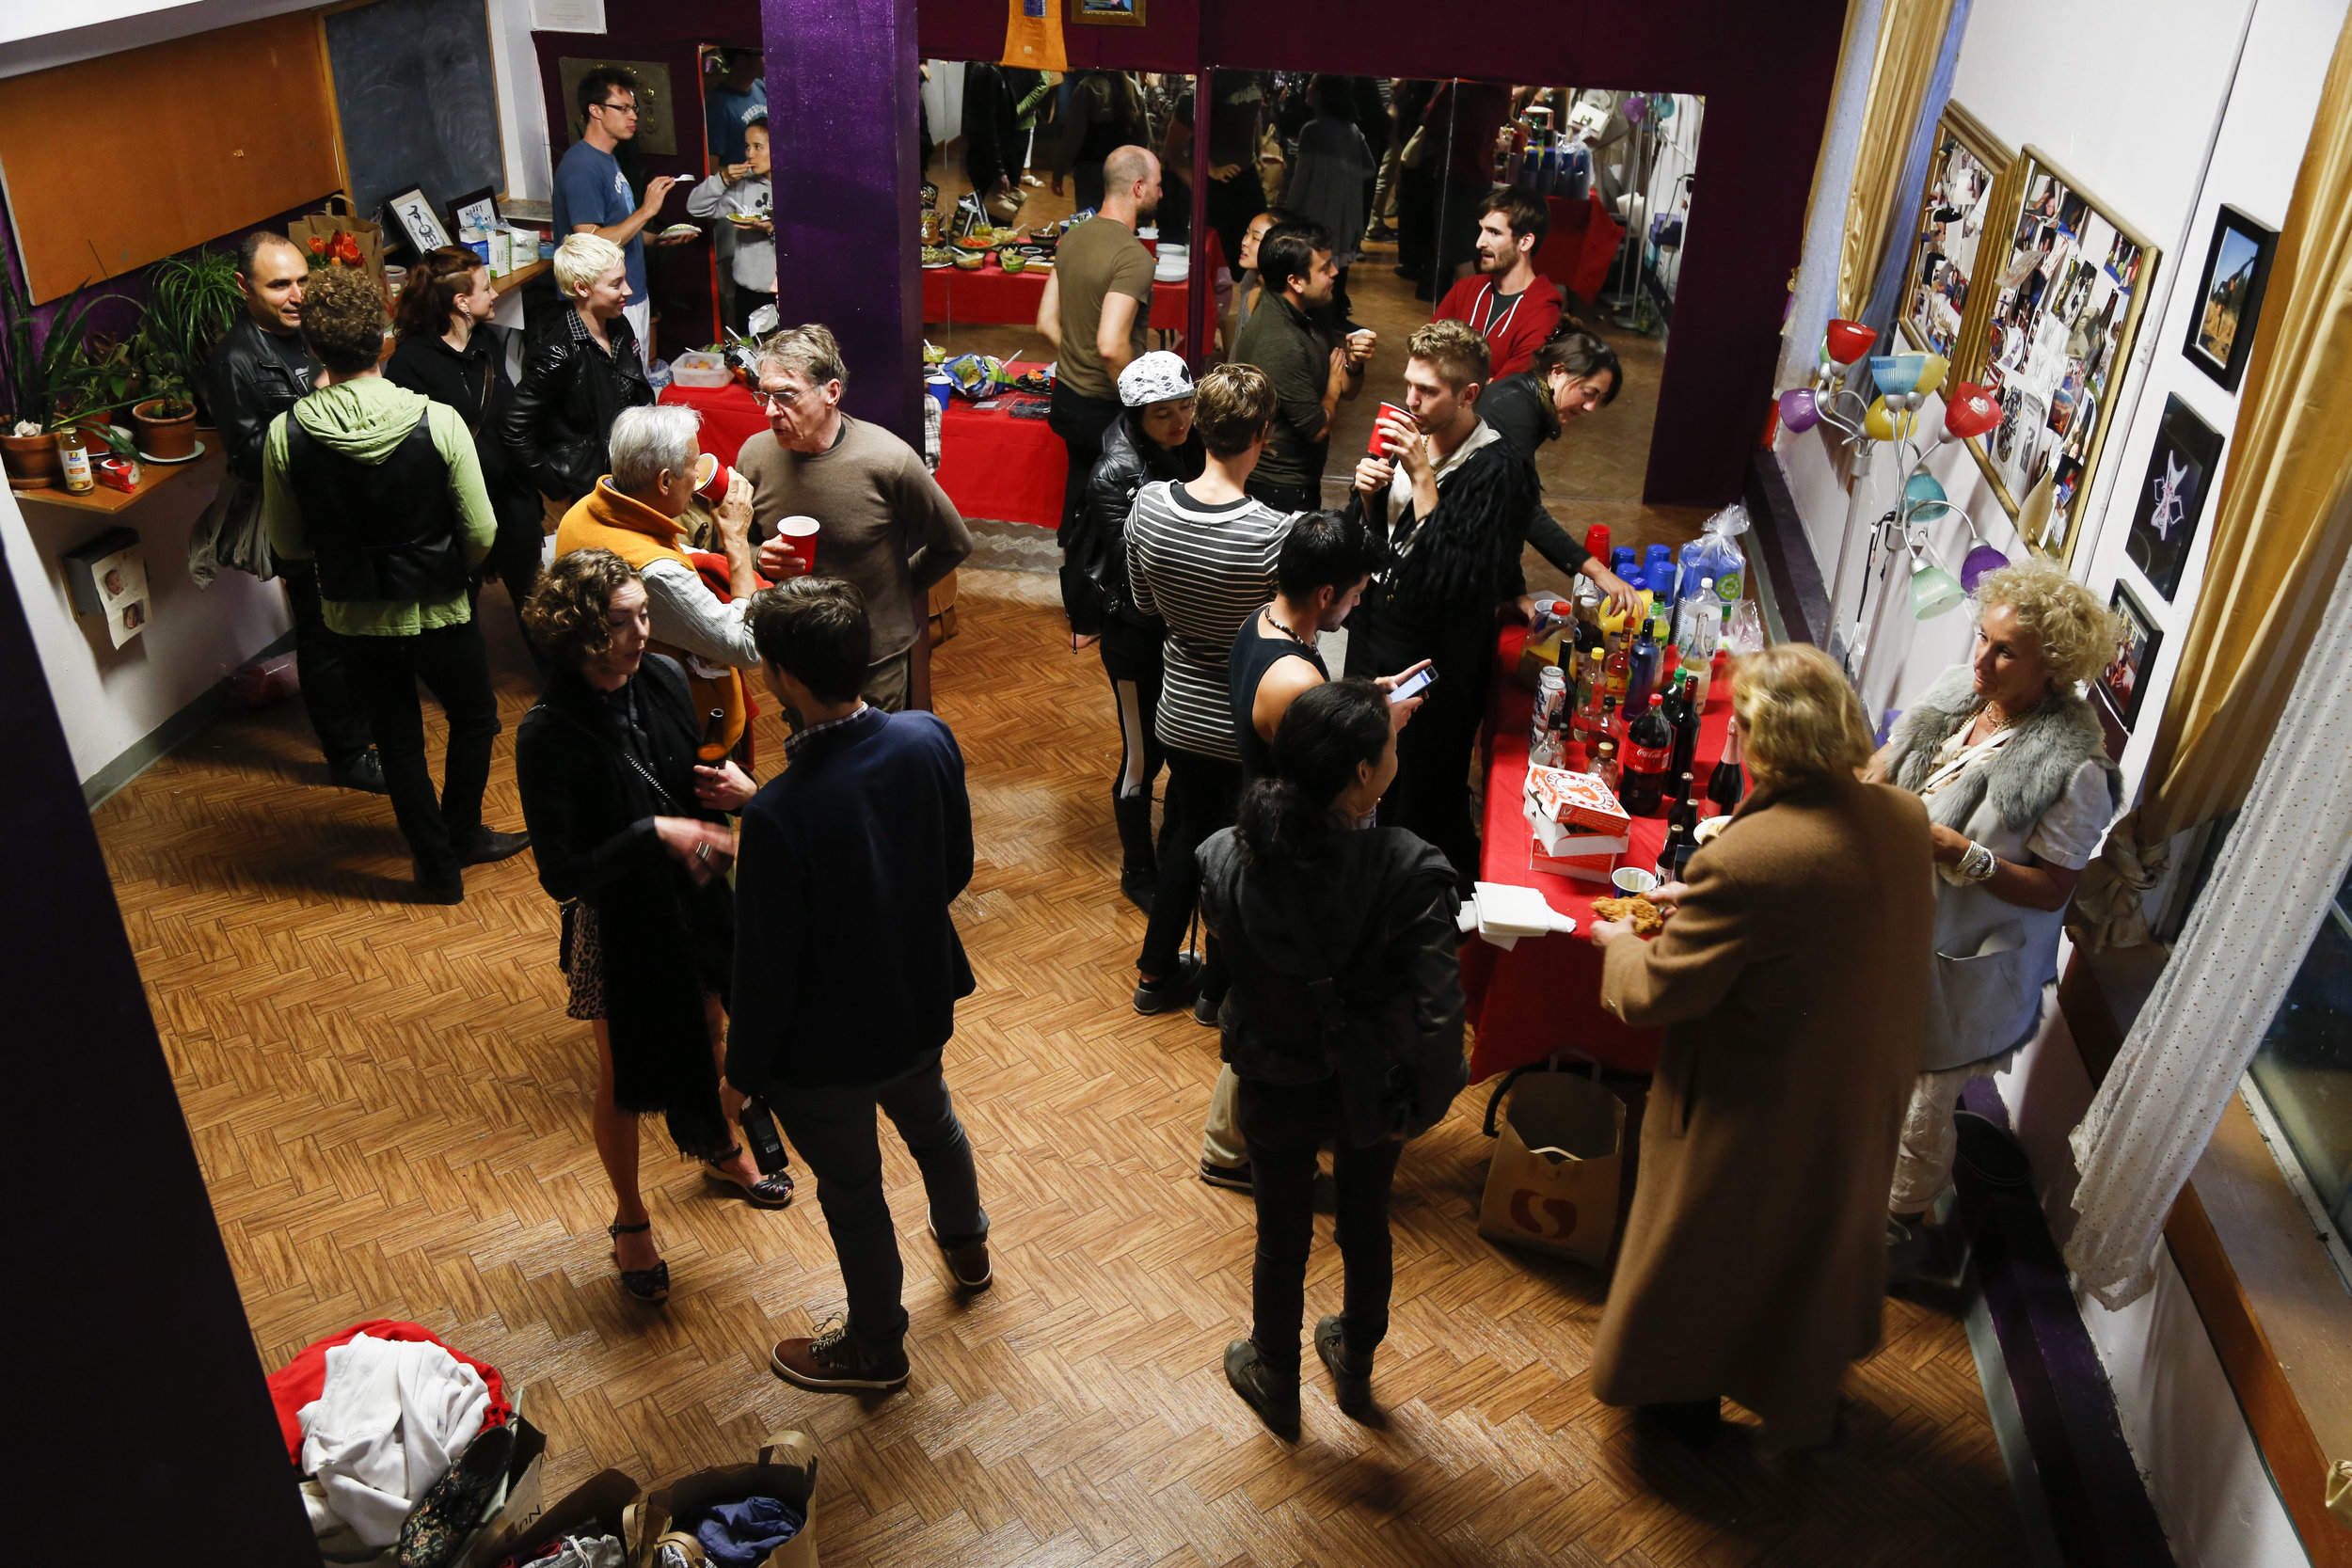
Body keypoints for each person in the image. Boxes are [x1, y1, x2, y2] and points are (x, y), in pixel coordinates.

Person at [1585, 643, 1933, 1449]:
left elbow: (1652, 994)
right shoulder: (1903, 817)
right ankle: (1798, 1391)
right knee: (1808, 1254)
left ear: (1759, 737)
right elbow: (1814, 923)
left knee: (1708, 1255)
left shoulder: (1748, 859)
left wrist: (1615, 941)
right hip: (1853, 1084)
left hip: (1753, 1099)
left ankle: (1680, 1398)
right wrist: (1702, 903)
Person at [728, 578, 989, 1394]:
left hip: (828, 1048)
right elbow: (953, 867)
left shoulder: (778, 816)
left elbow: (766, 968)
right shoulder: (926, 736)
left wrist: (738, 1076)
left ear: (788, 681)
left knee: (852, 1188)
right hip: (916, 1004)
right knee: (936, 1128)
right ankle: (968, 1249)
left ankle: (876, 1345)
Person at [513, 549, 790, 1304]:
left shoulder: (663, 679)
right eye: (620, 622)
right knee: (625, 1079)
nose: (641, 633)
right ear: (575, 633)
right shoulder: (546, 734)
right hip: (617, 918)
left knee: (716, 1026)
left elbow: (686, 785)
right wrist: (655, 834)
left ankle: (719, 1143)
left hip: (694, 894)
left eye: (643, 614)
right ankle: (630, 1216)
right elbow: (561, 874)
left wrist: (716, 794)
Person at [1200, 678, 1466, 1435]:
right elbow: (1443, 1018)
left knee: (1280, 1236)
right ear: (1360, 773)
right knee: (1365, 1222)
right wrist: (1420, 1107)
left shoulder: (1225, 854)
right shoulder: (1410, 869)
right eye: (1388, 743)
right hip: (1369, 1090)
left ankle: (1276, 1375)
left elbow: (1230, 976)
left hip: (1272, 1079)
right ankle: (1354, 1357)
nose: (1395, 750)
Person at [1868, 562, 2123, 1279]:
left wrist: (1969, 857)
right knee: (1871, 1066)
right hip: (1896, 925)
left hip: (1972, 956)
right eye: (1983, 637)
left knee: (1925, 1098)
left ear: (2054, 666)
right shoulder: (1958, 695)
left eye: (2006, 650)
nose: (1981, 659)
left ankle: (1897, 1225)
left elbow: (2053, 890)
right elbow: (1887, 763)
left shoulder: (2075, 772)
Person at [258, 263, 530, 902]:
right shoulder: (438, 422)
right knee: (475, 718)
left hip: (353, 616)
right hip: (442, 605)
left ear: (314, 345)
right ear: (379, 335)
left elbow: (290, 544)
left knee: (399, 741)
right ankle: (463, 831)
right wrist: (449, 567)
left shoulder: (285, 434)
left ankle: (437, 869)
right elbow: (483, 531)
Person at [1199, 512, 1423, 1191]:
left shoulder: (1262, 625)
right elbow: (1327, 766)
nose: (1357, 607)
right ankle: (1230, 1150)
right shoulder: (1293, 676)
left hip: (1277, 845)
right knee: (1277, 1009)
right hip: (1291, 860)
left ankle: (1247, 1136)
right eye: (1355, 594)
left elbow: (1313, 714)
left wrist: (1363, 697)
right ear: (1326, 593)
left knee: (1271, 1003)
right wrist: (1379, 730)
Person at [1123, 364, 1294, 1018]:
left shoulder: (1150, 505)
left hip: (1177, 708)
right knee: (1240, 853)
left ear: (1199, 424)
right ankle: (1218, 991)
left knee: (1185, 841)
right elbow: (1278, 633)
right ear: (1263, 434)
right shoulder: (1272, 533)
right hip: (1243, 715)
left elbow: (1143, 602)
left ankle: (1156, 973)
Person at [1344, 319, 1541, 879]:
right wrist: (1364, 501)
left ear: (1468, 395)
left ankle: (1424, 904)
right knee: (1363, 768)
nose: (1411, 400)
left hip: (1438, 654)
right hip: (1375, 632)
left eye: (1427, 391)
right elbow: (1372, 545)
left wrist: (1425, 479)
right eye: (1409, 384)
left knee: (1421, 790)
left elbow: (1468, 580)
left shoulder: (1500, 468)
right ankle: (1364, 881)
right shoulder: (1408, 439)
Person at [199, 230, 378, 793]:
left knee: (358, 626)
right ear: (243, 287)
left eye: (303, 279)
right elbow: (251, 458)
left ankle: (367, 722)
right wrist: (320, 403)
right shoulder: (234, 360)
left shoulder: (311, 331)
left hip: (347, 509)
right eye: (280, 285)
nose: (298, 294)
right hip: (302, 524)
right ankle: (347, 756)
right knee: (322, 639)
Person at [737, 325, 973, 712]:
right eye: (764, 395)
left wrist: (897, 591)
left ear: (831, 393)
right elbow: (728, 544)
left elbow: (954, 543)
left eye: (785, 396)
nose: (770, 411)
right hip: (795, 657)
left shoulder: (887, 459)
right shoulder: (754, 456)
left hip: (872, 659)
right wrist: (759, 556)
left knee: (874, 765)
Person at [553, 404, 768, 765]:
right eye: (693, 467)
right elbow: (746, 647)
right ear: (665, 481)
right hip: (679, 733)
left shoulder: (583, 510)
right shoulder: (655, 575)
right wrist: (737, 543)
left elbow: (662, 547)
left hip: (606, 702)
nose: (699, 477)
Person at [1069, 351, 1204, 913]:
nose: (1179, 422)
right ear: (1136, 415)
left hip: (1168, 626)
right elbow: (1137, 566)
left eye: (1186, 408)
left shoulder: (1179, 444)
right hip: (1132, 631)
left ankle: (1172, 852)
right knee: (1141, 756)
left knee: (1178, 747)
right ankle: (1137, 868)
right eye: (1163, 414)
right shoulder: (1117, 472)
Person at [386, 245, 545, 653]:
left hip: (512, 497)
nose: (494, 295)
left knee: (534, 596)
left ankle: (558, 685)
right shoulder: (411, 363)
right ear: (461, 302)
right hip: (457, 506)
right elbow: (414, 447)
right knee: (461, 606)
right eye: (486, 289)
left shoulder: (487, 342)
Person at [1036, 144, 1161, 638]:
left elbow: (1046, 322)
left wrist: (1078, 357)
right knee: (1110, 515)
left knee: (1081, 496)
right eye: (1156, 184)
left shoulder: (1072, 238)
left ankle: (1079, 611)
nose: (1160, 192)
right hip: (1106, 406)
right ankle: (1090, 620)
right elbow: (1112, 346)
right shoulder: (1132, 256)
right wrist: (1145, 400)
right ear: (1137, 188)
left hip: (1067, 397)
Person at [1475, 329, 1641, 617]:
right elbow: (1523, 510)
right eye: (1588, 393)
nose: (1590, 407)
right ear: (1559, 371)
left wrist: (1515, 593)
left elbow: (1506, 511)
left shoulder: (1527, 399)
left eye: (1598, 399)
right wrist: (1597, 572)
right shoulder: (1515, 410)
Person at [506, 233, 655, 527]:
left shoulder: (618, 324)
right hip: (585, 490)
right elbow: (513, 429)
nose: (628, 290)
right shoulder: (558, 352)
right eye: (615, 284)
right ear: (581, 288)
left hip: (622, 476)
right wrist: (557, 490)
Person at [1229, 220, 1376, 514]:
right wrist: (1333, 387)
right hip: (1278, 489)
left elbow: (1347, 387)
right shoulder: (1281, 342)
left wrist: (1355, 365)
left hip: (1297, 480)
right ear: (1295, 281)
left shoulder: (1305, 314)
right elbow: (1317, 427)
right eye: (1324, 268)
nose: (1335, 272)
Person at [553, 66, 683, 360]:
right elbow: (591, 243)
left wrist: (655, 239)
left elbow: (615, 228)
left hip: (630, 292)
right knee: (625, 393)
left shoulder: (606, 159)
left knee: (640, 383)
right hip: (608, 302)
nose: (633, 115)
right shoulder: (582, 167)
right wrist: (647, 210)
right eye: (622, 108)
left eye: (633, 107)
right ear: (595, 110)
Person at [1435, 189, 1565, 380]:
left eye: (1494, 233)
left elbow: (1507, 393)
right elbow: (1425, 355)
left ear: (1525, 242)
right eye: (1481, 230)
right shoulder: (1465, 289)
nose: (1480, 243)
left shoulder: (1544, 314)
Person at [1279, 78, 1377, 320]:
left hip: (1318, 215)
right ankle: (1334, 321)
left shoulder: (1312, 130)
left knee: (1312, 274)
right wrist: (1345, 180)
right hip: (1346, 217)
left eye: (1311, 84)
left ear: (1321, 94)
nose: (1306, 88)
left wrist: (1288, 214)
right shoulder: (1353, 130)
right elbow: (1370, 168)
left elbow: (1301, 179)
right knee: (1336, 272)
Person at [685, 116, 774, 336]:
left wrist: (771, 229)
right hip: (747, 290)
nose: (750, 154)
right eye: (747, 146)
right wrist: (722, 179)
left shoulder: (796, 186)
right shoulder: (743, 184)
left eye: (758, 147)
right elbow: (695, 207)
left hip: (781, 292)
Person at [702, 50, 768, 168]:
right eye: (761, 54)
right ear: (741, 60)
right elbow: (711, 169)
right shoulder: (716, 106)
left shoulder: (760, 86)